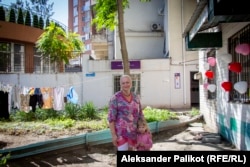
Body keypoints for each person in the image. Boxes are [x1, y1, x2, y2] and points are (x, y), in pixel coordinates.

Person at [108, 75, 145, 151]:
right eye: (123, 83)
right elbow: (111, 119)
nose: (125, 85)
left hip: (134, 134)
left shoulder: (136, 97)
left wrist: (144, 128)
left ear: (131, 83)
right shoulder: (115, 98)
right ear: (120, 85)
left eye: (127, 82)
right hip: (121, 135)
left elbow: (140, 115)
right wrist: (113, 135)